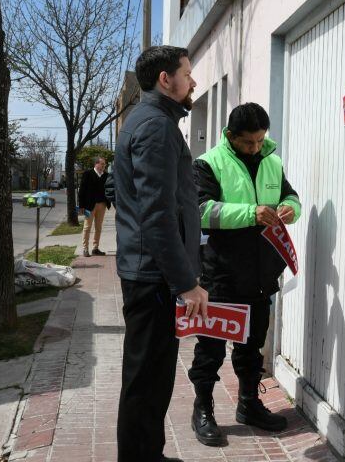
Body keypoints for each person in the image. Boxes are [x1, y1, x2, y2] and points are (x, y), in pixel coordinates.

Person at [113, 45, 209, 462]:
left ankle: (147, 453)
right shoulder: (155, 126)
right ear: (165, 80)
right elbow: (157, 215)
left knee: (151, 379)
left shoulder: (153, 120)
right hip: (152, 277)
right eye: (187, 74)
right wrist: (186, 283)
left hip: (151, 272)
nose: (193, 81)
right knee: (147, 381)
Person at [187, 103, 302, 446]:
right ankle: (203, 409)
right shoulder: (209, 163)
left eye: (259, 141)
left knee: (252, 348)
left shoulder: (272, 161)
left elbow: (291, 196)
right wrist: (252, 213)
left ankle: (249, 404)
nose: (255, 148)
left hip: (261, 274)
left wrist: (289, 210)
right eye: (248, 142)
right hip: (222, 274)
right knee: (210, 350)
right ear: (231, 136)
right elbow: (201, 211)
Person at [78, 156, 111, 257]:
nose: (104, 166)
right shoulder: (87, 174)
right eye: (102, 164)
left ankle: (95, 248)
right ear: (96, 164)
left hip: (102, 204)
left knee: (98, 227)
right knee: (87, 227)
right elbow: (82, 190)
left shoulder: (106, 175)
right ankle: (85, 249)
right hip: (89, 206)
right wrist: (81, 206)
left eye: (104, 164)